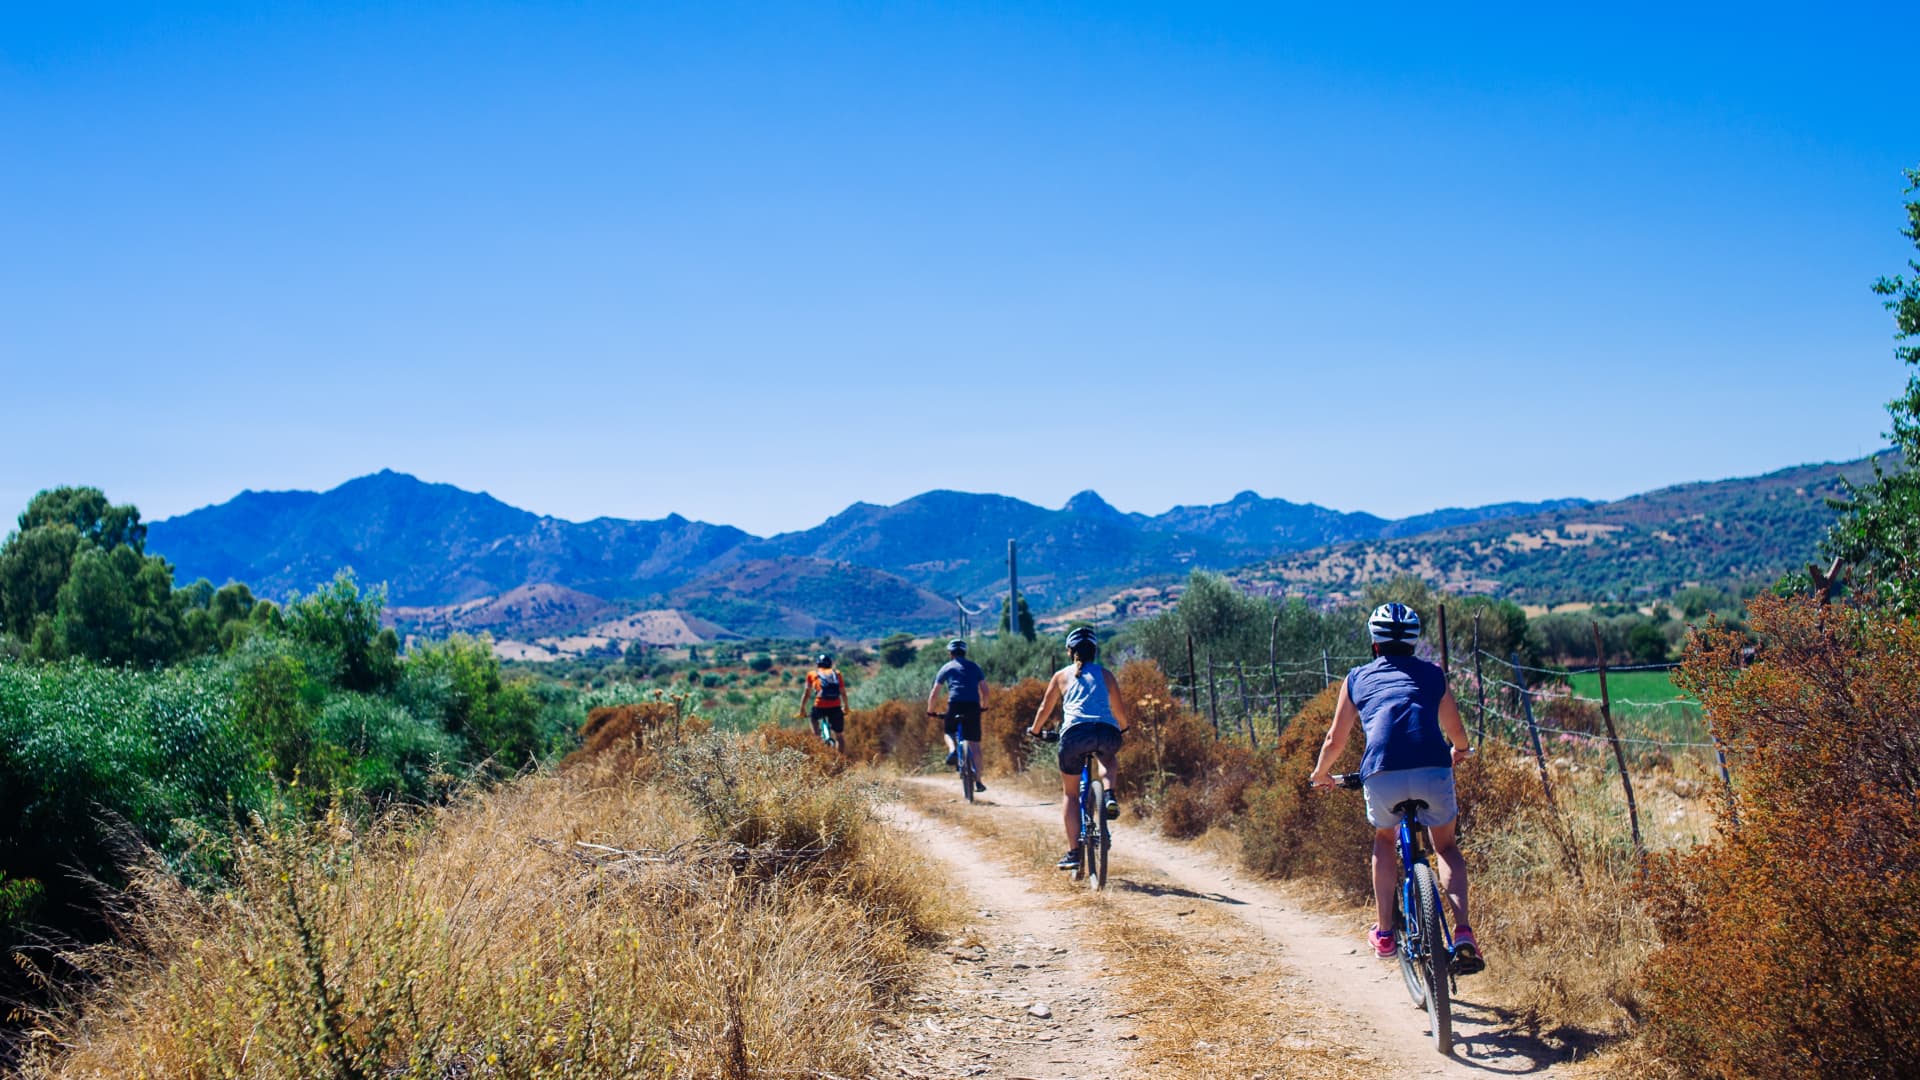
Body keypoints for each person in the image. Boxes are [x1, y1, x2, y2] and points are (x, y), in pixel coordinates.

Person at [1309, 602, 1484, 975]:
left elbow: (1335, 739)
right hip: (1433, 769)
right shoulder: (1434, 675)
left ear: (1375, 645)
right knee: (1446, 847)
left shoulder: (1357, 678)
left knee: (1384, 840)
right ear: (1414, 644)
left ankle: (1385, 932)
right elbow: (1456, 729)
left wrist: (1321, 773)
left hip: (1381, 774)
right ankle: (1464, 933)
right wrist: (1462, 750)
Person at [1028, 626, 1130, 871]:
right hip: (1106, 731)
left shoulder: (1061, 676)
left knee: (1071, 794)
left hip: (1074, 734)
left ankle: (1074, 852)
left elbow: (1045, 708)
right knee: (1108, 760)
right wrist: (1124, 729)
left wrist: (1035, 730)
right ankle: (1109, 794)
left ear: (1069, 651)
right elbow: (1118, 710)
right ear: (1094, 651)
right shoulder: (1106, 675)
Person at [927, 638, 990, 791]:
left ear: (950, 653)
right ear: (964, 652)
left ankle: (952, 750)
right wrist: (984, 707)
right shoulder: (975, 667)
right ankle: (979, 781)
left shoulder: (947, 668)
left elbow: (935, 693)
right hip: (973, 705)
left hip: (955, 703)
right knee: (974, 743)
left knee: (949, 731)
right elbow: (985, 691)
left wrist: (930, 711)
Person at [799, 653, 850, 749]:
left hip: (820, 706)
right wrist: (846, 707)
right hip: (835, 706)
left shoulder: (812, 674)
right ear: (830, 664)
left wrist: (802, 708)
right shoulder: (837, 674)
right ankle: (840, 761)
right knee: (839, 736)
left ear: (818, 664)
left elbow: (807, 693)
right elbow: (843, 692)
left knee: (813, 718)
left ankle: (817, 738)